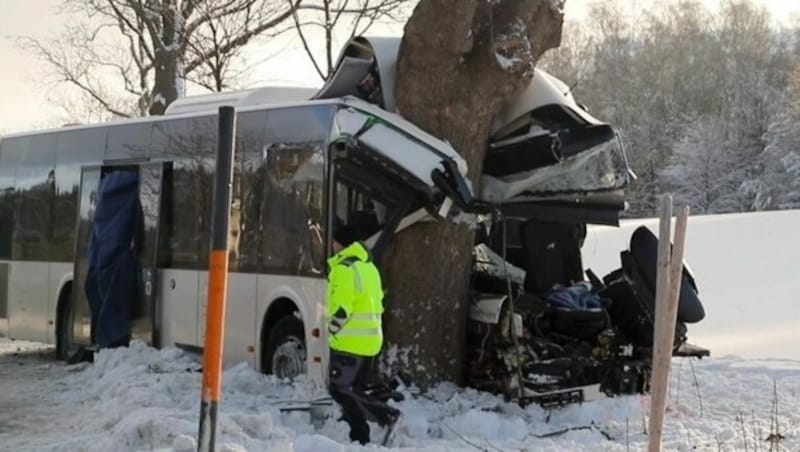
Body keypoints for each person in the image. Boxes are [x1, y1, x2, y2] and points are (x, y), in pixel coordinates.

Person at [327, 224, 400, 445]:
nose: (332, 244)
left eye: (334, 240)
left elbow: (342, 308)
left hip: (350, 341)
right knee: (353, 390)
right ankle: (358, 438)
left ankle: (384, 415)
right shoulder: (368, 268)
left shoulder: (343, 268)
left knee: (339, 388)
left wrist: (331, 330)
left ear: (341, 243)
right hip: (370, 340)